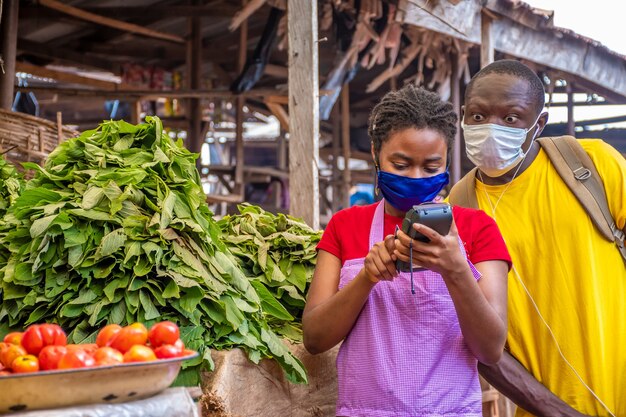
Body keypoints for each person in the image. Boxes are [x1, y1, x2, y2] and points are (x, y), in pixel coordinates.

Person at [302, 85, 511, 417]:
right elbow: (314, 338)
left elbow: (490, 349)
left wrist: (456, 270)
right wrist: (366, 279)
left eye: (431, 167)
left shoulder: (478, 229)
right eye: (400, 164)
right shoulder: (345, 226)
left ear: (446, 162)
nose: (416, 177)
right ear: (375, 154)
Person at [451, 59, 626, 417]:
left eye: (511, 118)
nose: (491, 129)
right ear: (464, 116)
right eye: (479, 116)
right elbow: (475, 338)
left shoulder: (593, 164)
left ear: (539, 123)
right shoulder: (458, 208)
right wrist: (556, 411)